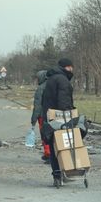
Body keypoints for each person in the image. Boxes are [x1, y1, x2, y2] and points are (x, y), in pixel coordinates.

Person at [42, 58, 74, 187]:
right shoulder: (62, 80)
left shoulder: (51, 79)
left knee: (54, 148)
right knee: (64, 146)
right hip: (60, 119)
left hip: (49, 119)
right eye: (70, 67)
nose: (72, 70)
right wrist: (69, 117)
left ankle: (56, 175)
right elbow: (63, 100)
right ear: (66, 67)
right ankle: (66, 172)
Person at [31, 70, 50, 163]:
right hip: (53, 114)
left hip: (43, 115)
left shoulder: (41, 88)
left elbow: (37, 105)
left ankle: (48, 154)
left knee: (44, 134)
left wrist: (34, 119)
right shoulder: (52, 85)